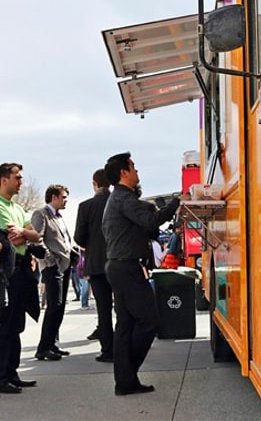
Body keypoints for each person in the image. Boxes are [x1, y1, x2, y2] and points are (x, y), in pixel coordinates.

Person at [102, 153, 180, 396]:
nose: (137, 171)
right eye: (133, 167)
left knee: (125, 324)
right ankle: (126, 374)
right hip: (126, 268)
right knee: (149, 321)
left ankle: (125, 380)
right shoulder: (124, 198)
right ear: (124, 173)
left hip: (120, 266)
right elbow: (150, 220)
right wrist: (176, 202)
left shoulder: (119, 199)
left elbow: (142, 228)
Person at [0, 162, 40, 394]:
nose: (21, 181)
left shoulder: (17, 207)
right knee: (3, 323)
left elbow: (32, 235)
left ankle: (12, 372)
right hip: (9, 269)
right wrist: (25, 236)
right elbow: (9, 238)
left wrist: (25, 233)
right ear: (4, 179)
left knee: (16, 323)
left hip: (23, 267)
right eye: (17, 177)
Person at [31, 184, 76, 361]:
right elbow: (36, 239)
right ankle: (44, 347)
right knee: (54, 306)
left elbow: (63, 239)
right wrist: (50, 260)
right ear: (54, 197)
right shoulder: (41, 214)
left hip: (64, 265)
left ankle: (52, 344)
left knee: (60, 306)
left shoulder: (60, 217)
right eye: (64, 197)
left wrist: (71, 253)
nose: (66, 200)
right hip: (52, 266)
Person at [75, 168, 113, 362]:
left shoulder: (85, 206)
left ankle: (108, 350)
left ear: (94, 183)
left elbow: (79, 237)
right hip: (119, 262)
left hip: (97, 264)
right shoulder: (118, 202)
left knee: (103, 309)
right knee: (123, 307)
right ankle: (126, 346)